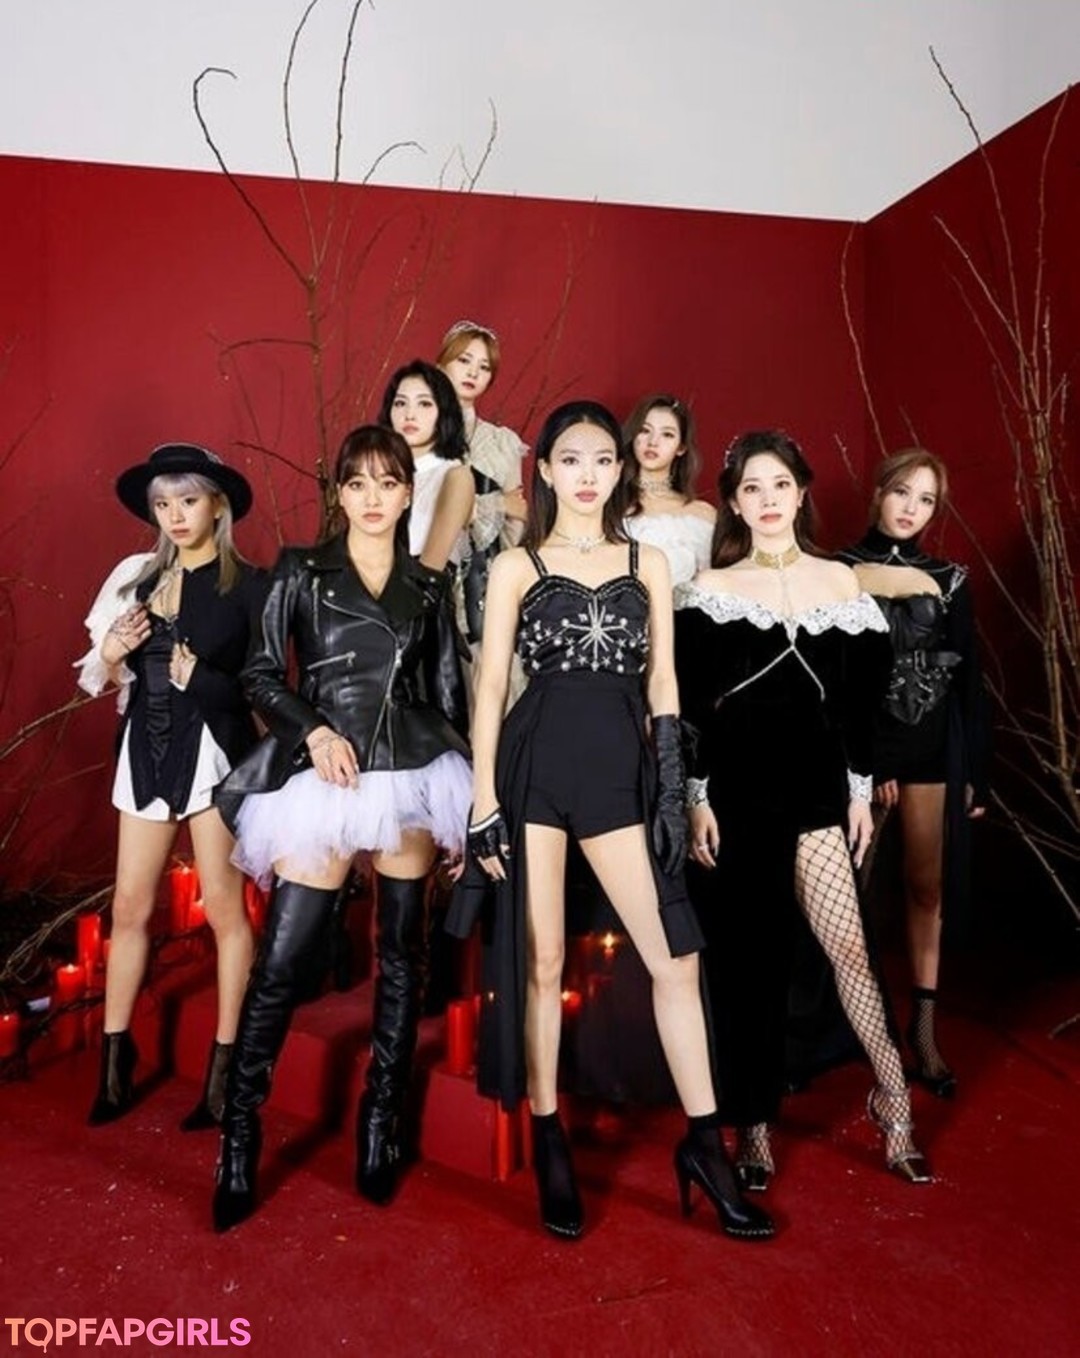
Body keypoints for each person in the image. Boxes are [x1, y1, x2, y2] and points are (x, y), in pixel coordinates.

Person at [446, 400, 773, 1243]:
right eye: (570, 460)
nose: (587, 475)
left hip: (620, 773)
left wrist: (671, 792)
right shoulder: (516, 566)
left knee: (675, 960)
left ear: (619, 469)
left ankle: (705, 1147)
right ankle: (549, 1137)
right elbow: (491, 687)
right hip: (532, 769)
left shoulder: (646, 562)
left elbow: (664, 682)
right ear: (546, 472)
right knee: (543, 959)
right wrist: (482, 799)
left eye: (601, 459)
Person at [211, 425, 472, 1232]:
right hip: (325, 773)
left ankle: (380, 1121)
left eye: (387, 483)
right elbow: (259, 674)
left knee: (402, 957)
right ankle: (239, 1132)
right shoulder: (301, 569)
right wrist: (314, 730)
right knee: (281, 962)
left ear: (408, 492)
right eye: (356, 484)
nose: (371, 498)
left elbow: (449, 697)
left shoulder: (429, 587)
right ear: (339, 495)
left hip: (410, 771)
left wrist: (468, 811)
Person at [675, 430, 933, 1193]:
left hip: (817, 791)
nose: (767, 500)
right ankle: (754, 1124)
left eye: (779, 485)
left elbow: (858, 707)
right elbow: (693, 712)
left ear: (800, 493)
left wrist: (858, 790)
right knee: (752, 965)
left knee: (849, 949)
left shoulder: (841, 583)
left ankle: (894, 1100)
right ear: (733, 502)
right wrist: (695, 798)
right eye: (751, 488)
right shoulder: (709, 590)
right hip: (737, 795)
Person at [75, 443, 265, 1131]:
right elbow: (97, 674)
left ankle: (224, 1074)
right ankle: (114, 1066)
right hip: (146, 751)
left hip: (214, 752)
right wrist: (111, 652)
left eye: (188, 500)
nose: (175, 515)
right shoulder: (134, 577)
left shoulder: (250, 585)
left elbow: (263, 688)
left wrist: (202, 678)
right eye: (163, 504)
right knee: (129, 906)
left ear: (217, 504)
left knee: (224, 910)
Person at [838, 449, 989, 1098]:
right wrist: (868, 763)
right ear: (878, 493)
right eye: (902, 492)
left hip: (931, 748)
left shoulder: (950, 578)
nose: (911, 508)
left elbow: (968, 678)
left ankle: (924, 1033)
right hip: (865, 752)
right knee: (852, 896)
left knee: (927, 887)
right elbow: (836, 679)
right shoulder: (839, 569)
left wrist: (975, 769)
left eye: (926, 499)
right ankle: (855, 1032)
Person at [435, 319, 528, 650]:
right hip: (426, 574)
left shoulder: (503, 443)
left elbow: (516, 524)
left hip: (483, 582)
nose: (473, 372)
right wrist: (496, 503)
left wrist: (510, 585)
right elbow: (421, 508)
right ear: (441, 364)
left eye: (484, 367)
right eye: (464, 360)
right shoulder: (415, 433)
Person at [377, 359, 475, 571]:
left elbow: (431, 570)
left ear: (444, 412)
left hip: (421, 586)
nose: (409, 415)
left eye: (424, 404)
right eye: (400, 403)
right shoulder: (377, 473)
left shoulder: (455, 476)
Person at [622, 393, 715, 587]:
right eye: (644, 430)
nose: (653, 442)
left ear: (681, 447)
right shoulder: (608, 504)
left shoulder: (702, 514)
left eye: (667, 434)